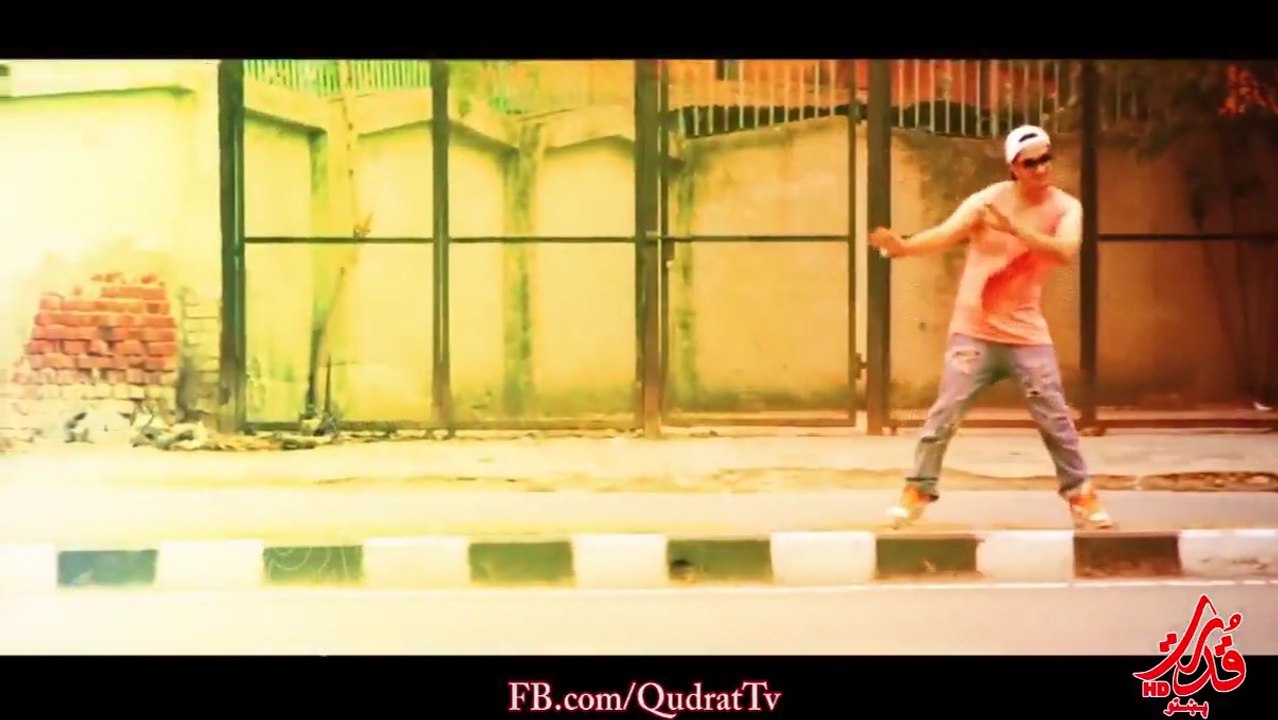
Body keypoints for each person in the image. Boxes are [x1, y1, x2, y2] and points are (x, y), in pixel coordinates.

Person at [868, 124, 1113, 531]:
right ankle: (917, 490)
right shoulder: (987, 202)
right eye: (1030, 163)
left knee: (1055, 419)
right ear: (1014, 167)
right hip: (974, 331)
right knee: (943, 415)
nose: (1041, 168)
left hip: (1027, 334)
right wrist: (904, 247)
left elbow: (1066, 250)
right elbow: (947, 233)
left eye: (1046, 159)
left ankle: (1080, 495)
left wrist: (1015, 229)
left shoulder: (1066, 207)